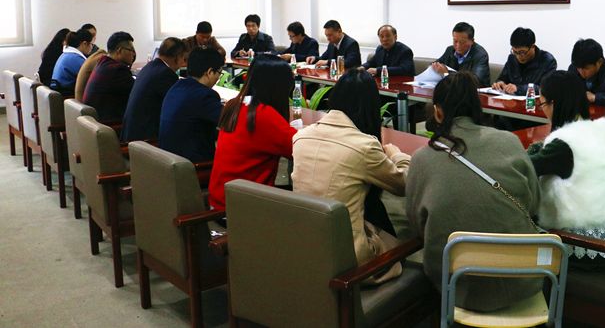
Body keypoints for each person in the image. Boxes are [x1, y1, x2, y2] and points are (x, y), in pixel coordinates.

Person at [405, 72, 542, 312]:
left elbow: (417, 224)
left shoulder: (421, 159)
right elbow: (533, 205)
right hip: (522, 278)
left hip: (456, 285)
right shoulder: (509, 141)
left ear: (437, 112)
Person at [292, 69, 409, 282]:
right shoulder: (364, 146)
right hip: (348, 261)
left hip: (305, 245)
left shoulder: (301, 136)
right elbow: (404, 185)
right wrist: (397, 155)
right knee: (402, 240)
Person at [528, 70, 605, 268]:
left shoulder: (565, 143)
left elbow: (524, 167)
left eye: (542, 103)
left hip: (585, 248)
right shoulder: (597, 130)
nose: (542, 110)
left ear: (554, 104)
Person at [208, 55, 296, 212]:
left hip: (220, 199)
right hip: (244, 208)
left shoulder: (234, 105)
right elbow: (298, 149)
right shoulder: (263, 115)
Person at [159, 48, 224, 163]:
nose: (218, 77)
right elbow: (229, 121)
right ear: (210, 72)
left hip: (168, 161)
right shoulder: (205, 95)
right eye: (219, 73)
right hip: (193, 166)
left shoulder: (177, 87)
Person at [121, 37, 187, 142]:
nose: (183, 63)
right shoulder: (166, 74)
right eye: (183, 58)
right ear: (177, 57)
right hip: (145, 140)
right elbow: (180, 107)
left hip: (132, 135)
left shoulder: (149, 67)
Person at [82, 32, 136, 123]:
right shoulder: (118, 70)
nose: (134, 54)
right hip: (109, 125)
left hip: (94, 123)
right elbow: (137, 93)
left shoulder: (103, 63)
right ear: (119, 50)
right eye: (131, 50)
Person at [493, 27, 557, 95]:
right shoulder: (512, 58)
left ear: (533, 47)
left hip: (534, 101)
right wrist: (500, 83)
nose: (518, 56)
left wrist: (518, 89)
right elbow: (503, 78)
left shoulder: (547, 61)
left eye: (522, 52)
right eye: (515, 52)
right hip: (511, 100)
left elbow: (545, 89)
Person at [432, 22, 490, 87]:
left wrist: (446, 74)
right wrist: (435, 67)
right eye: (455, 41)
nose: (458, 45)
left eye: (462, 42)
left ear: (472, 41)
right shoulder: (450, 50)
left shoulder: (480, 55)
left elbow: (475, 82)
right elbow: (434, 65)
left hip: (474, 91)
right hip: (452, 89)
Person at [50, 29, 94, 94]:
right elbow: (92, 77)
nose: (92, 47)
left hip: (61, 92)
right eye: (91, 44)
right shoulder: (76, 58)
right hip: (67, 95)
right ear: (84, 44)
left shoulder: (66, 54)